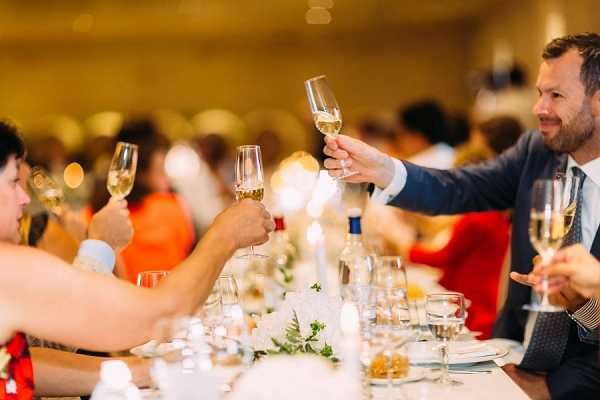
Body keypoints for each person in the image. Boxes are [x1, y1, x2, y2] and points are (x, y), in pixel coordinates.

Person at [324, 33, 600, 400]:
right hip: (513, 355)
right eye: (539, 93)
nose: (539, 108)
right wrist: (383, 169)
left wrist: (551, 387)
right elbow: (459, 186)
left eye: (556, 96)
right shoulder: (537, 151)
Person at [0, 121, 275, 398]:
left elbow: (25, 361)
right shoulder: (9, 267)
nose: (25, 198)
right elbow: (162, 315)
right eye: (13, 182)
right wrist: (225, 235)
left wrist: (150, 370)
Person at [89, 118, 196, 283]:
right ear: (140, 173)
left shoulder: (95, 215)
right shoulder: (171, 207)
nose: (167, 178)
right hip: (172, 299)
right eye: (161, 170)